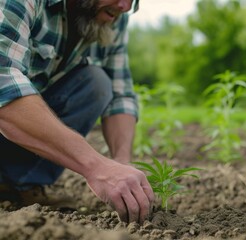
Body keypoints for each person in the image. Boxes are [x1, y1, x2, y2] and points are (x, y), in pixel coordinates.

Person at [0, 0, 154, 224]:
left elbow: (121, 96)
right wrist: (97, 167)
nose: (125, 5)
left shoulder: (112, 17)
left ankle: (15, 186)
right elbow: (2, 83)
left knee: (96, 82)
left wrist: (121, 162)